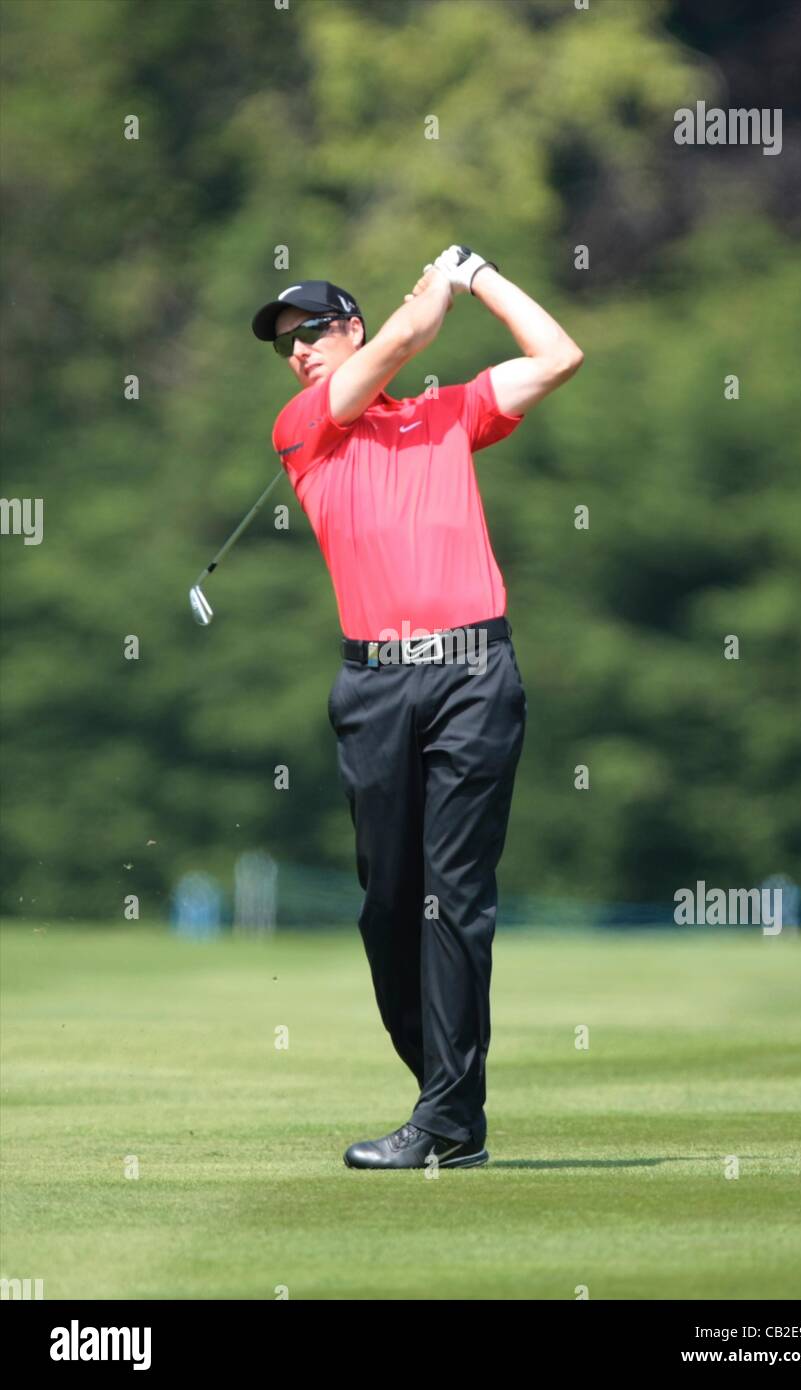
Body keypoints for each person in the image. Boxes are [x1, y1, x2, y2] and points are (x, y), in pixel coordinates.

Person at [251, 246, 583, 1169]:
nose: (299, 352)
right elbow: (403, 338)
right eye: (286, 343)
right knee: (390, 905)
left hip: (475, 678)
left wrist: (477, 275)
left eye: (312, 331)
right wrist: (428, 299)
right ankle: (444, 1088)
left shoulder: (448, 416)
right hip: (374, 686)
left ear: (345, 327)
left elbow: (559, 356)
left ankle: (446, 1117)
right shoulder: (303, 428)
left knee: (453, 899)